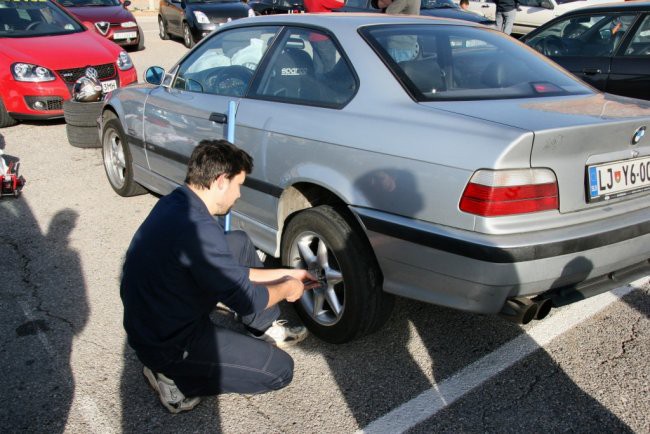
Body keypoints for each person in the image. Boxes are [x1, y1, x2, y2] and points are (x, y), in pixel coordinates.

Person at [120, 139, 319, 413]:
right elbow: (247, 299)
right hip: (170, 343)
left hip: (154, 318)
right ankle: (170, 376)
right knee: (281, 370)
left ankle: (261, 325)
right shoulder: (200, 230)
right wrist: (288, 288)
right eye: (239, 185)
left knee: (236, 242)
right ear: (221, 180)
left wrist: (287, 272)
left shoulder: (178, 202)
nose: (239, 195)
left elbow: (230, 270)